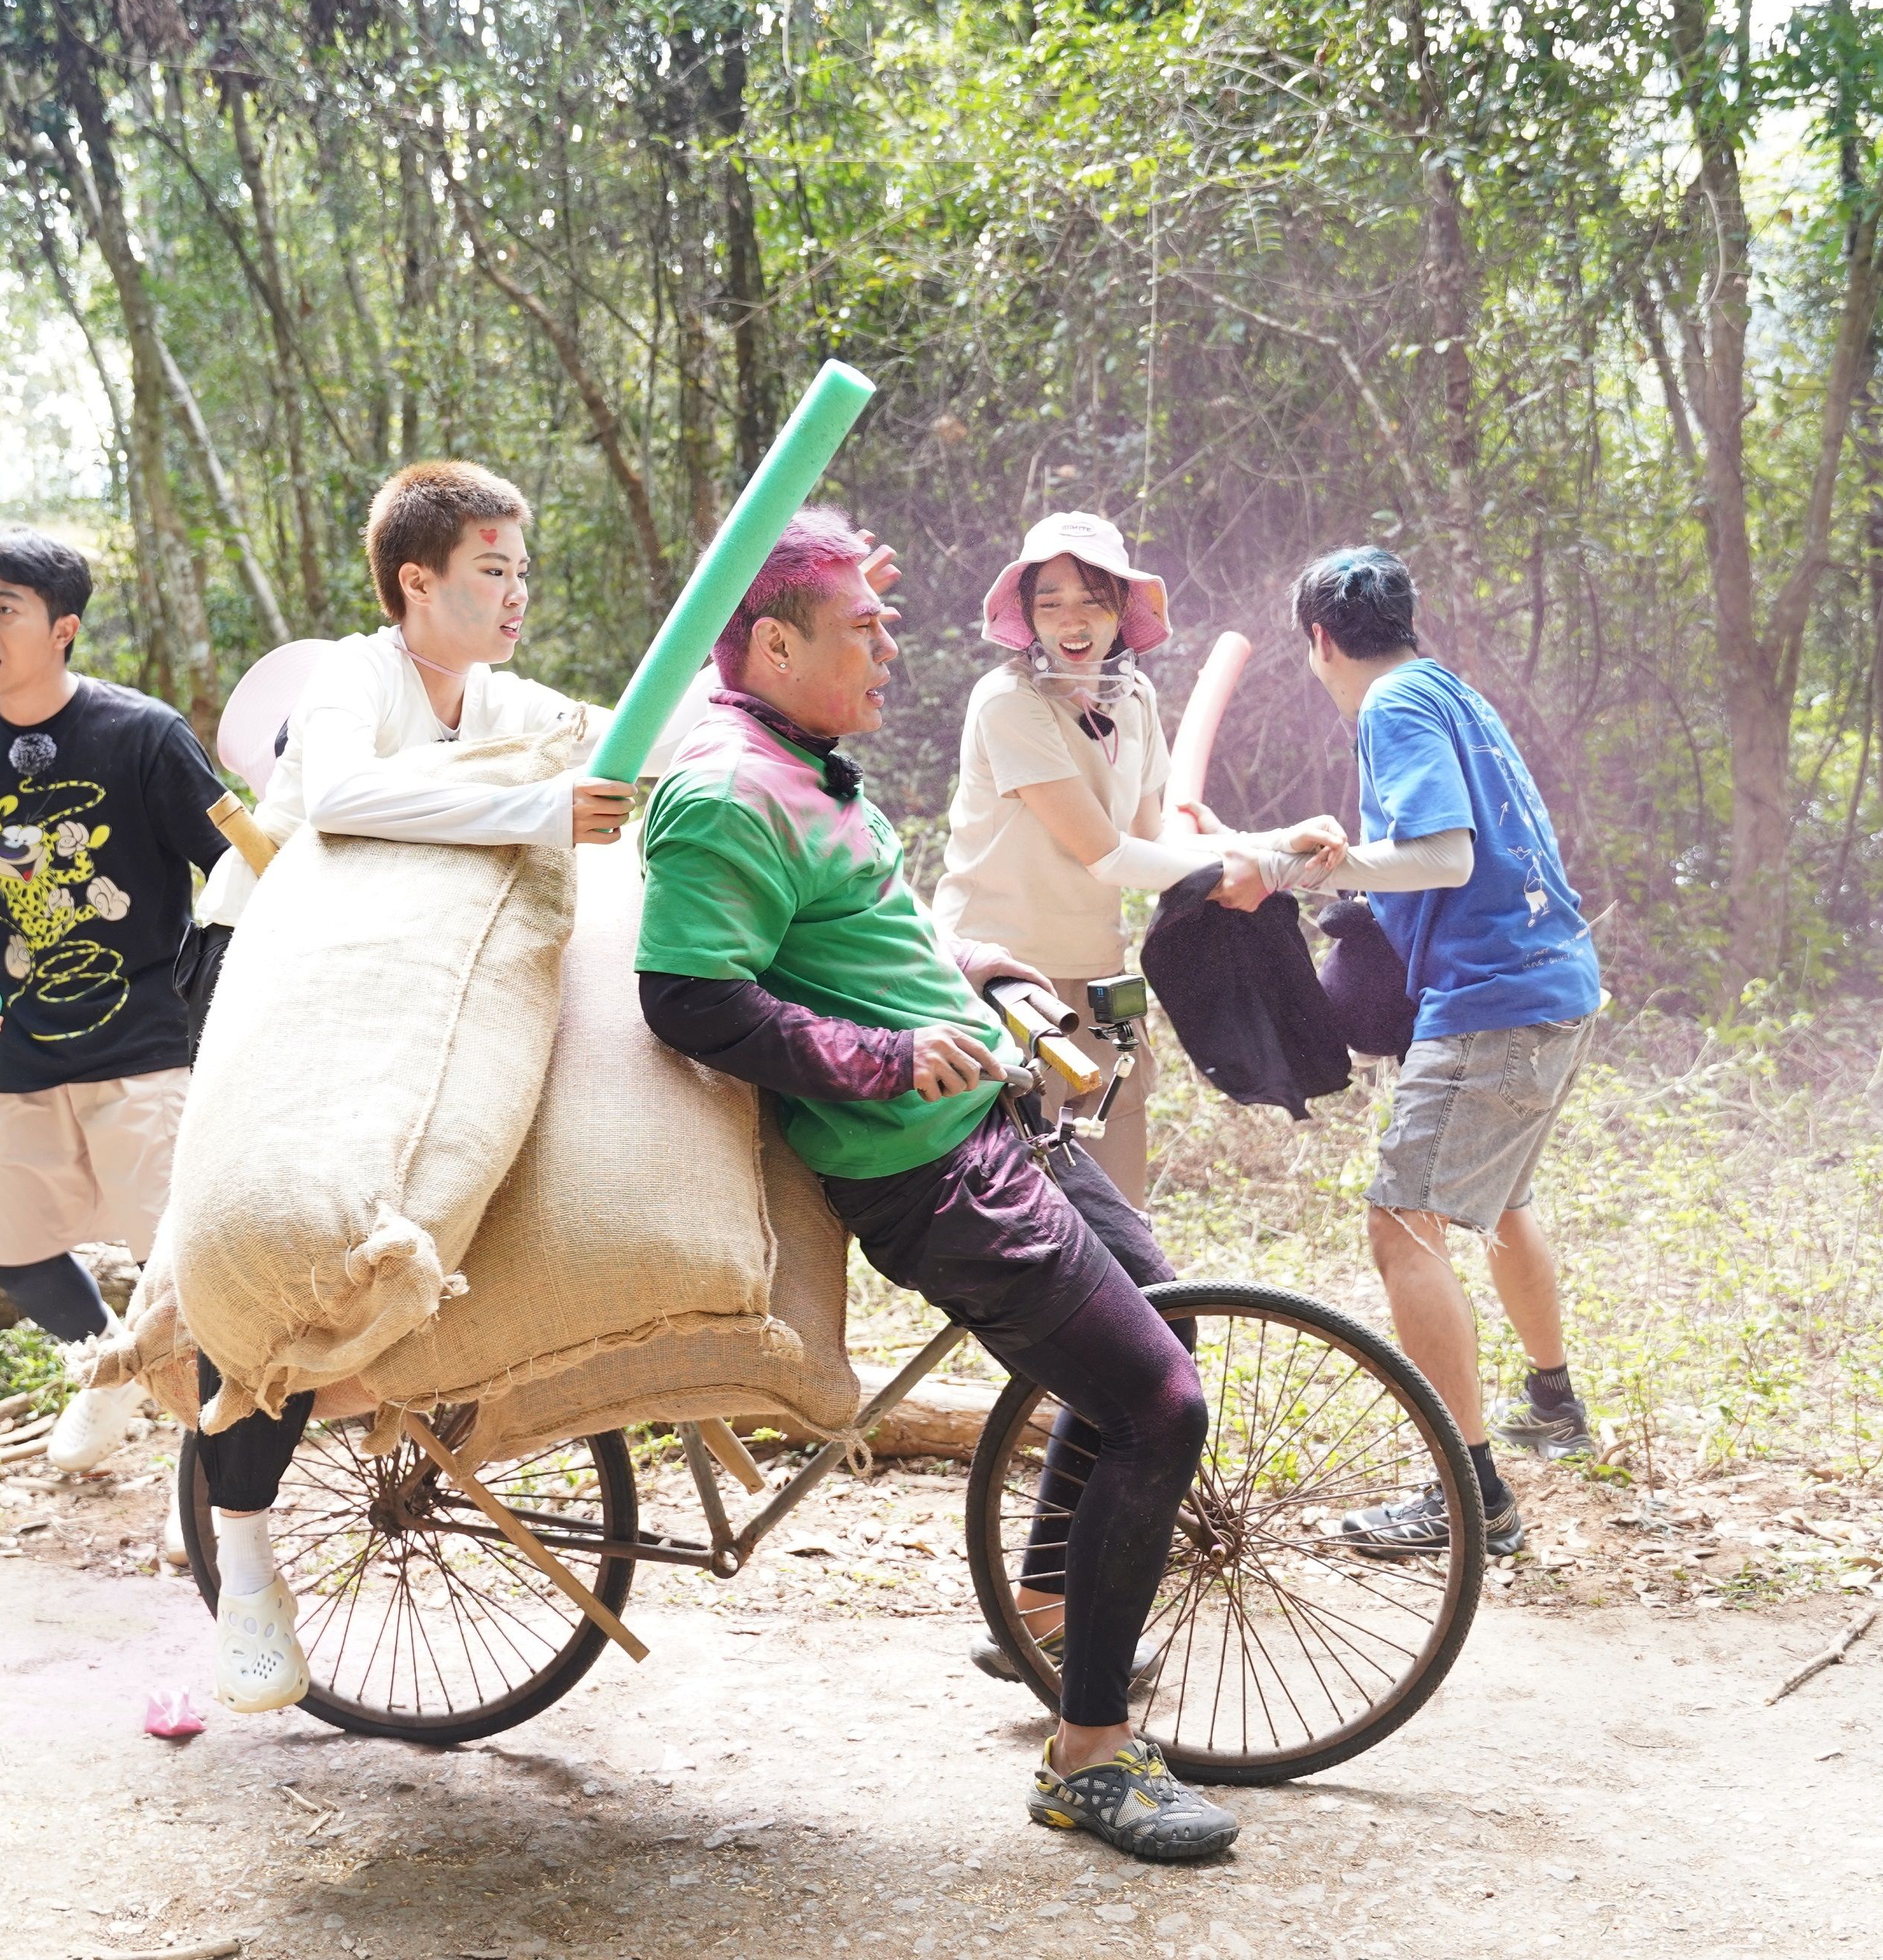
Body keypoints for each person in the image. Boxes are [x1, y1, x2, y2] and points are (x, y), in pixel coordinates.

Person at [635, 506, 1239, 1862]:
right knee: (1160, 1408)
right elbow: (687, 997)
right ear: (775, 643)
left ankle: (1042, 1612)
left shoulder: (809, 763)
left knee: (1167, 1317)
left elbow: (868, 935)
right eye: (864, 629)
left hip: (990, 1122)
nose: (890, 651)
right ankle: (1087, 1759)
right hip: (927, 1173)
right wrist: (883, 1055)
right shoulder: (730, 790)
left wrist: (980, 976)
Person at [179, 458, 642, 1714]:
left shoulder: (495, 697)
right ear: (413, 583)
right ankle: (244, 1557)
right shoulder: (356, 675)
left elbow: (613, 733)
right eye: (493, 572)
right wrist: (536, 805)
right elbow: (334, 797)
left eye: (522, 572)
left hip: (411, 993)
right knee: (279, 1248)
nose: (517, 595)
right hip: (263, 970)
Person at [1290, 546, 1603, 1562]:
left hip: (1493, 1004)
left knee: (1401, 1227)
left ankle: (1469, 1496)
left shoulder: (1390, 708)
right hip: (1554, 984)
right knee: (1501, 1199)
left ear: (1320, 642)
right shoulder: (1450, 691)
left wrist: (1341, 864)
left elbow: (1447, 854)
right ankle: (1551, 1404)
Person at [0, 528, 230, 1482]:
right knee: (11, 1250)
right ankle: (110, 1370)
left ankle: (210, 1481)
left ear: (64, 627)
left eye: (5, 609)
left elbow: (235, 869)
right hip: (20, 1046)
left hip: (148, 1039)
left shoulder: (145, 736)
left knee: (183, 1269)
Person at [930, 511, 1341, 1207]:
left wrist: (1273, 844)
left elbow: (1156, 843)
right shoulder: (1008, 702)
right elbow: (1106, 855)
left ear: (1123, 608)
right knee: (1024, 1219)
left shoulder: (1136, 697)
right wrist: (1232, 872)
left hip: (1097, 972)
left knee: (1122, 1211)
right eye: (1050, 602)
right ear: (1026, 614)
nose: (1072, 619)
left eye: (1092, 599)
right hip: (1004, 981)